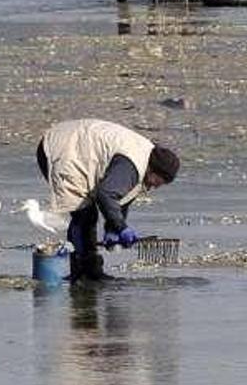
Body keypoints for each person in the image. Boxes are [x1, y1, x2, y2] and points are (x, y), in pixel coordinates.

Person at [35, 119, 179, 281]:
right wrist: (122, 227)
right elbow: (106, 194)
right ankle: (83, 272)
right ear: (153, 171)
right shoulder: (132, 164)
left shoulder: (144, 162)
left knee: (88, 215)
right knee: (84, 215)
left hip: (81, 145)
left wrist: (112, 229)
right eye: (159, 182)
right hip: (62, 148)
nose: (157, 187)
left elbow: (122, 196)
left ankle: (88, 271)